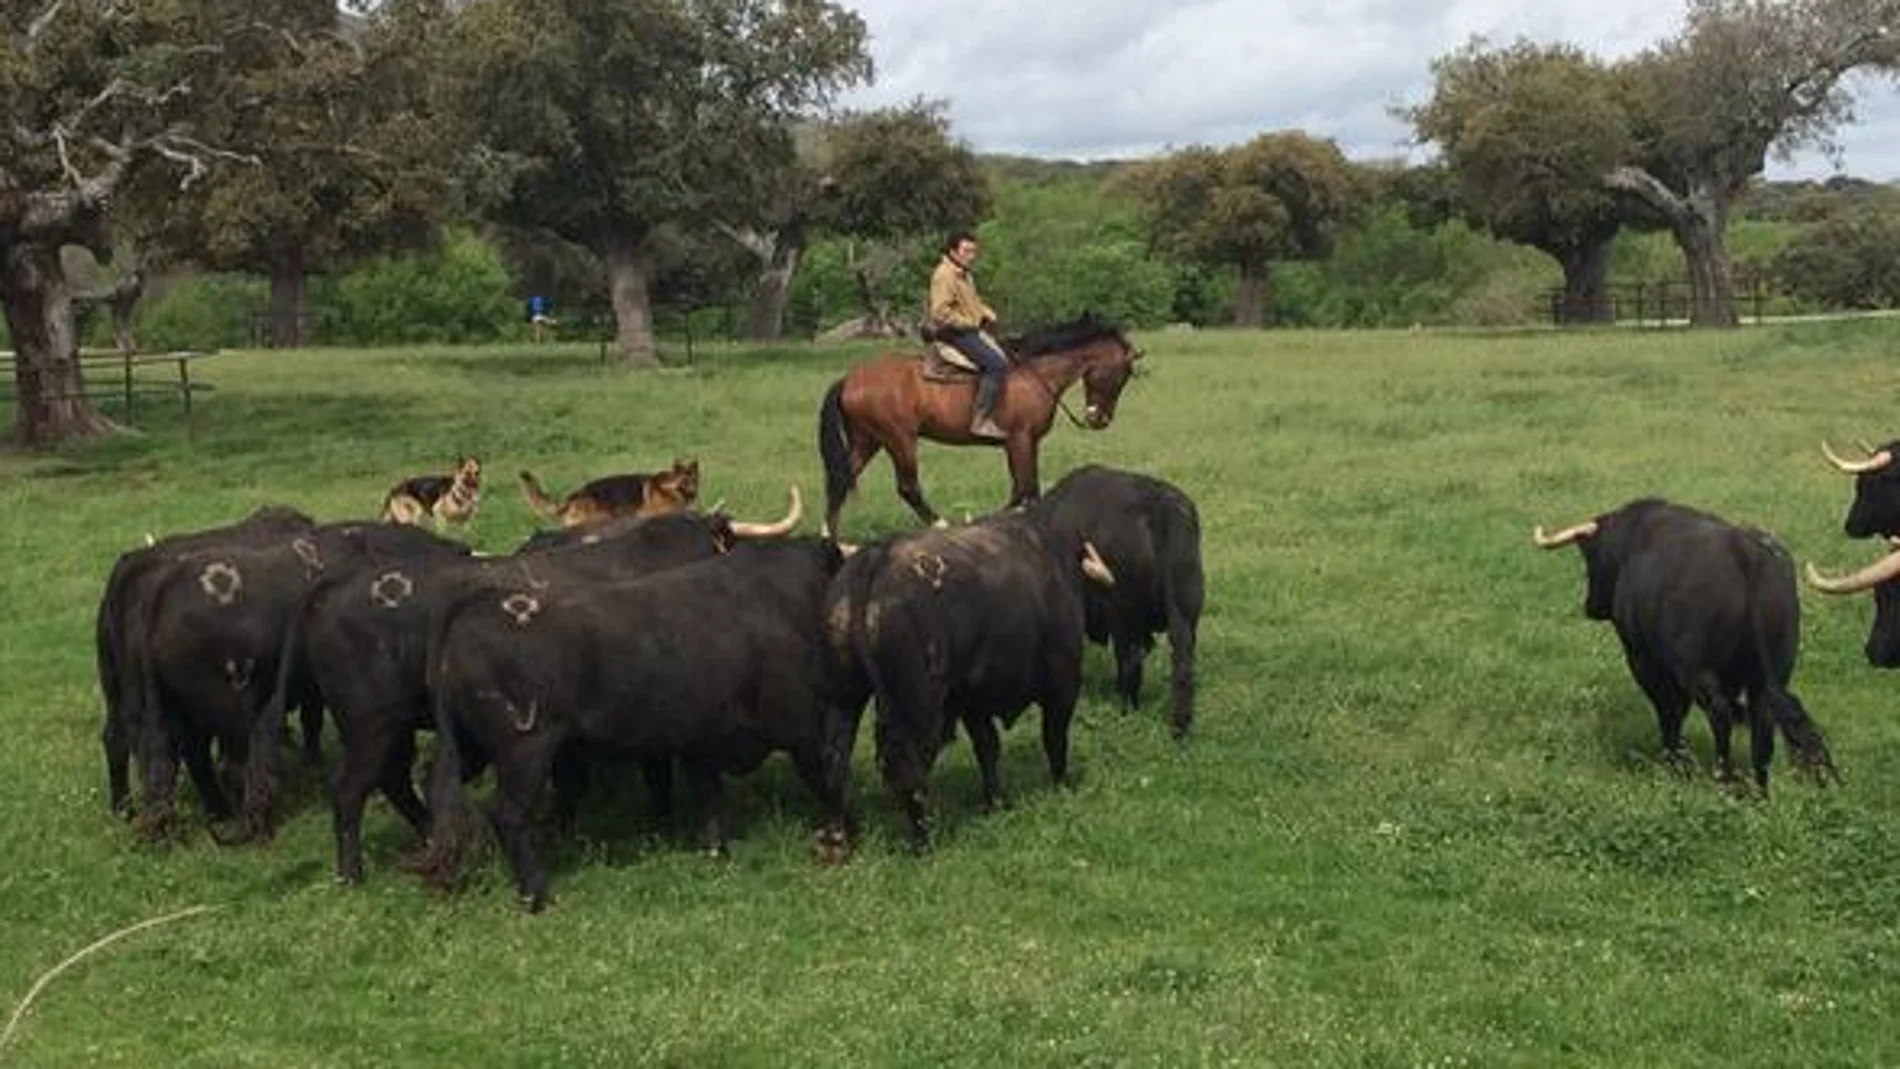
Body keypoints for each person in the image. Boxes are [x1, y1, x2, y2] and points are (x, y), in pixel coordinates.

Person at [927, 231, 1008, 439]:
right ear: (953, 251)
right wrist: (969, 323)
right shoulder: (944, 275)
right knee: (996, 364)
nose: (971, 256)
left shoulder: (964, 273)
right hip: (955, 333)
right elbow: (939, 311)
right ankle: (980, 420)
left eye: (973, 251)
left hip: (970, 329)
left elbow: (972, 302)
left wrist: (987, 313)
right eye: (967, 251)